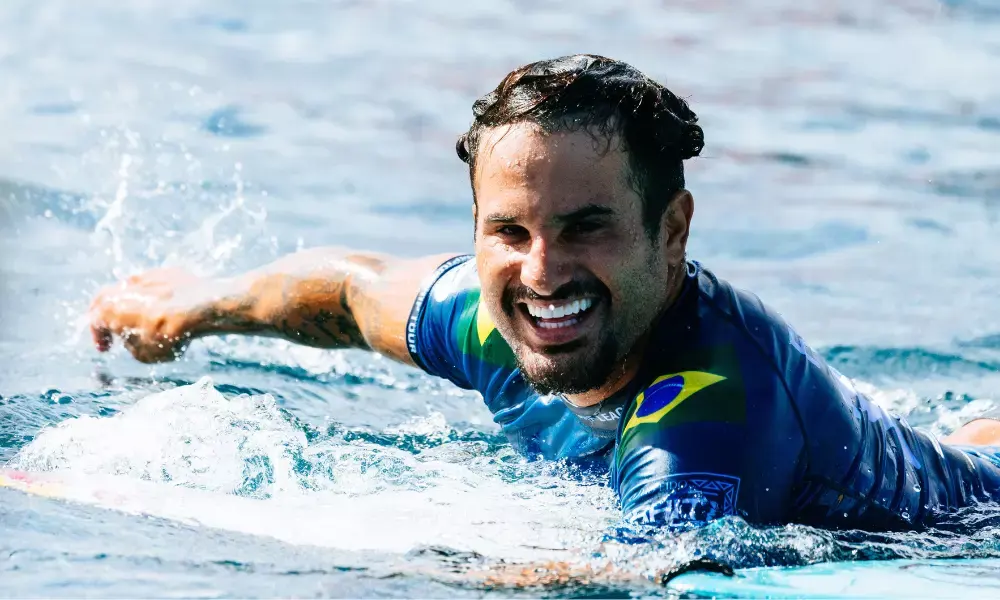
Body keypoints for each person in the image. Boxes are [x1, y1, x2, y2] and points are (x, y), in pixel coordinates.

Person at [89, 54, 1000, 532]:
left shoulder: (708, 419)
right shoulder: (489, 320)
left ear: (672, 231)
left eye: (587, 228)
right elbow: (346, 289)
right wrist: (192, 306)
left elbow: (620, 576)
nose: (541, 272)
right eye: (510, 232)